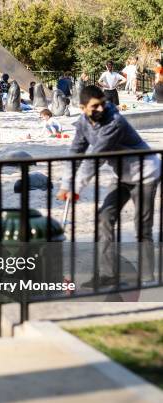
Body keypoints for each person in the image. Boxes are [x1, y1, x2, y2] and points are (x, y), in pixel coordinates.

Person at [57, 85, 160, 283]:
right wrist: (65, 184)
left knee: (142, 227)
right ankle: (107, 274)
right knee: (104, 219)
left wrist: (76, 188)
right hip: (122, 174)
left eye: (103, 104)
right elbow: (75, 154)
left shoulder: (115, 122)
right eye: (95, 107)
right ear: (83, 108)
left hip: (146, 174)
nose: (101, 110)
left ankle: (147, 278)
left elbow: (96, 158)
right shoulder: (82, 123)